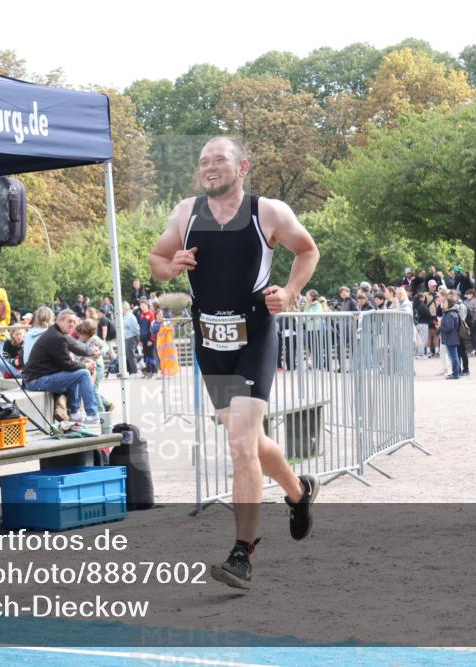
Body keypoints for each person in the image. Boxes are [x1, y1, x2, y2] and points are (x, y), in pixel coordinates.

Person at [148, 135, 320, 589]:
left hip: (255, 335)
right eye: (204, 161)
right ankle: (299, 492)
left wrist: (289, 292)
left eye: (219, 159)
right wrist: (171, 266)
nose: (210, 167)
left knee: (241, 446)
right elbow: (157, 259)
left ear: (242, 167)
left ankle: (242, 553)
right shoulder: (185, 213)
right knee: (250, 439)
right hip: (210, 341)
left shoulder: (269, 212)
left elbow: (307, 250)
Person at [23, 310, 99, 424]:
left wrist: (89, 356)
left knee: (77, 373)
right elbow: (67, 364)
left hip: (37, 378)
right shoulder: (56, 337)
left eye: (74, 322)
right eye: (69, 321)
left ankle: (75, 414)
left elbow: (73, 353)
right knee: (83, 373)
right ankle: (92, 414)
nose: (72, 324)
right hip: (35, 381)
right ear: (59, 321)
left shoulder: (56, 333)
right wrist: (85, 366)